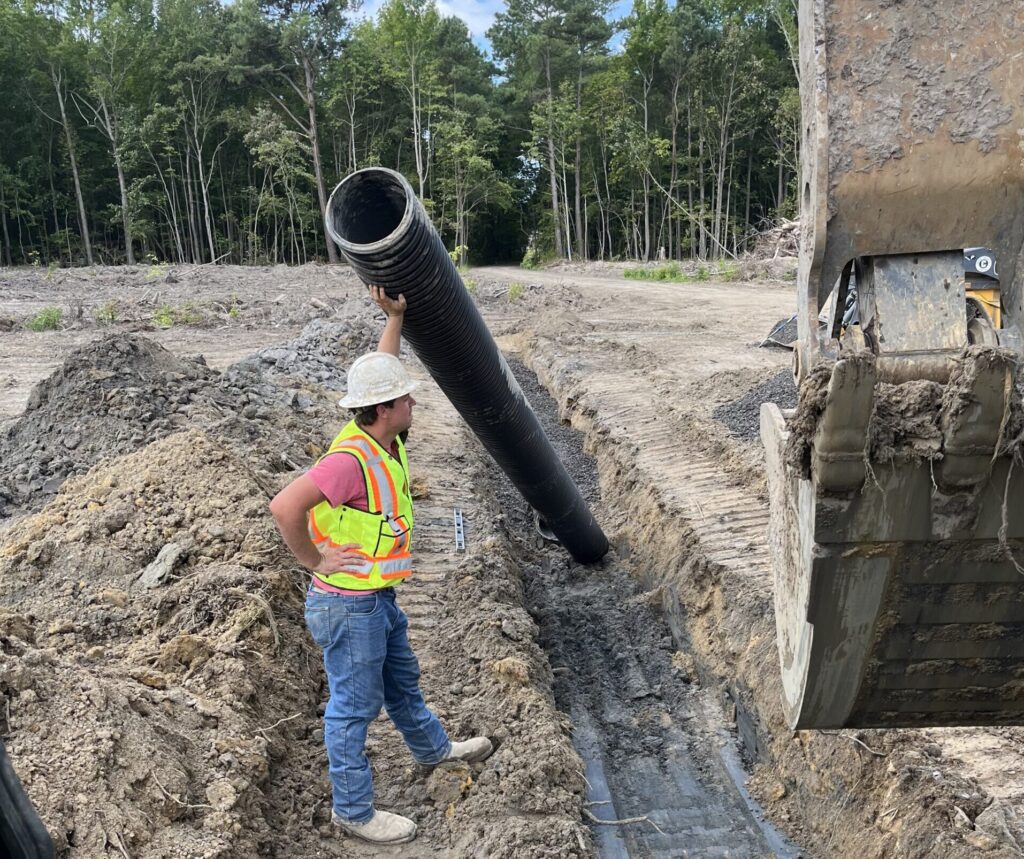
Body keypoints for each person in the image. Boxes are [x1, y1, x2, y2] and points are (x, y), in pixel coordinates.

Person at [269, 286, 492, 846]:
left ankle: (434, 750)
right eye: (407, 400)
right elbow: (285, 506)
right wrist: (315, 559)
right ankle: (354, 810)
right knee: (353, 708)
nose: (414, 404)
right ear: (386, 409)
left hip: (377, 599)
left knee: (402, 683)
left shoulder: (381, 435)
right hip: (347, 605)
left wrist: (394, 318)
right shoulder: (350, 461)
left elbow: (383, 369)